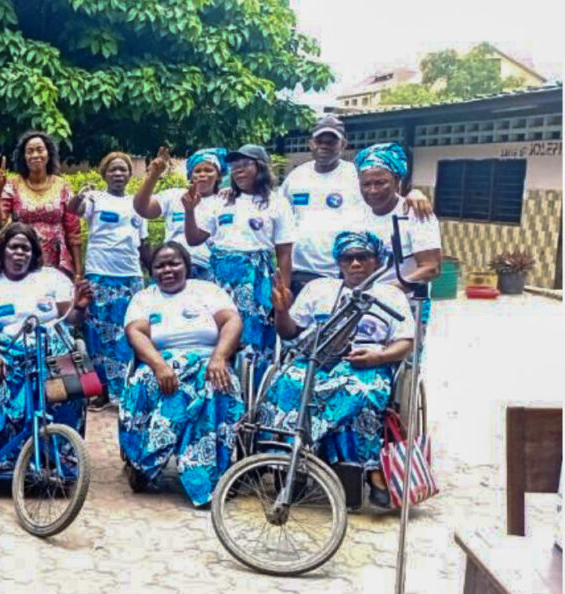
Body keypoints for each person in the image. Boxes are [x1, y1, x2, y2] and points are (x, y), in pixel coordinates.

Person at [266, 230, 416, 508]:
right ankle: (292, 461)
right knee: (288, 382)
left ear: (376, 260)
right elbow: (289, 334)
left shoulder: (390, 295)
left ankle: (370, 470)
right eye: (348, 258)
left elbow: (405, 342)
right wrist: (282, 311)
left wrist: (377, 357)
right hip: (316, 358)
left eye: (363, 257)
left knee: (360, 391)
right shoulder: (318, 289)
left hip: (366, 363)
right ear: (338, 263)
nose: (355, 264)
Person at [0, 224, 93, 477]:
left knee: (75, 386)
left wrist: (81, 307)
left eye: (26, 248)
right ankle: (5, 457)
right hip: (0, 350)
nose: (20, 253)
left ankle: (60, 452)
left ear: (33, 253)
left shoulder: (51, 278)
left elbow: (71, 320)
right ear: (2, 250)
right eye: (14, 247)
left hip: (49, 348)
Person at [118, 242, 244, 507]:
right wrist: (159, 366)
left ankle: (197, 472)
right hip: (159, 364)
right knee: (187, 387)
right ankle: (192, 473)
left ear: (186, 265)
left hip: (211, 360)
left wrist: (219, 357)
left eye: (174, 263)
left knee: (213, 384)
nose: (167, 269)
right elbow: (135, 333)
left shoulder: (208, 291)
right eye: (159, 265)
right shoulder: (145, 298)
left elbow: (232, 322)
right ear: (151, 271)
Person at [281, 116, 432, 294]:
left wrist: (415, 194)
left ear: (343, 144)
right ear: (310, 143)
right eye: (319, 141)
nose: (324, 146)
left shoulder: (357, 175)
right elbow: (278, 214)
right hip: (299, 270)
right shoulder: (296, 176)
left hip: (342, 272)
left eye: (331, 141)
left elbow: (388, 197)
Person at [184, 144, 294, 370]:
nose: (238, 170)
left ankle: (252, 392)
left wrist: (282, 293)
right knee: (218, 330)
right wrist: (189, 211)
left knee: (254, 335)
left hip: (256, 279)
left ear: (261, 167)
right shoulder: (222, 201)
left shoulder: (277, 203)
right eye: (234, 166)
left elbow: (284, 253)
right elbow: (194, 239)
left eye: (245, 165)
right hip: (221, 279)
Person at [66, 152, 149, 408]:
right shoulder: (94, 199)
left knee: (128, 333)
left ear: (129, 174)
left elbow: (144, 242)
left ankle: (125, 390)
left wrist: (153, 272)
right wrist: (79, 196)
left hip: (130, 277)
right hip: (99, 274)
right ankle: (100, 391)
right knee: (97, 335)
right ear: (104, 173)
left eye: (123, 169)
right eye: (113, 170)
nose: (118, 174)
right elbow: (74, 209)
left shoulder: (139, 204)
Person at [353, 143, 442, 320]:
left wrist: (384, 293)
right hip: (365, 306)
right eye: (366, 184)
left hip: (405, 307)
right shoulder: (358, 214)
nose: (372, 190)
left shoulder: (415, 212)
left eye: (380, 183)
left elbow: (431, 268)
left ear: (397, 182)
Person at [0, 132, 81, 277]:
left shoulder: (62, 186)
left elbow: (73, 231)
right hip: (22, 258)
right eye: (29, 151)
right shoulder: (13, 185)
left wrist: (78, 273)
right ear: (24, 157)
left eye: (40, 150)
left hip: (57, 262)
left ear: (48, 153)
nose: (35, 155)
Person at [134, 146, 226, 280]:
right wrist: (154, 174)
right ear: (190, 175)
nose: (202, 174)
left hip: (206, 269)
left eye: (208, 170)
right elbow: (142, 208)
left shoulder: (225, 201)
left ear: (218, 175)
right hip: (171, 267)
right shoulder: (174, 196)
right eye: (197, 171)